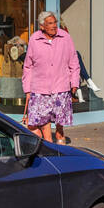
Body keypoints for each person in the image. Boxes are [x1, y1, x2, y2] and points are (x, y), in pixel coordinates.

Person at [22, 11, 80, 142]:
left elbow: (74, 61)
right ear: (42, 26)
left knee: (59, 121)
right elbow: (28, 66)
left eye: (55, 22)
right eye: (50, 23)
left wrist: (74, 82)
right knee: (43, 118)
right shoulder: (34, 39)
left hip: (61, 86)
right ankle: (49, 143)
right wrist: (27, 89)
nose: (54, 26)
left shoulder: (65, 37)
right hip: (40, 88)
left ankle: (59, 133)